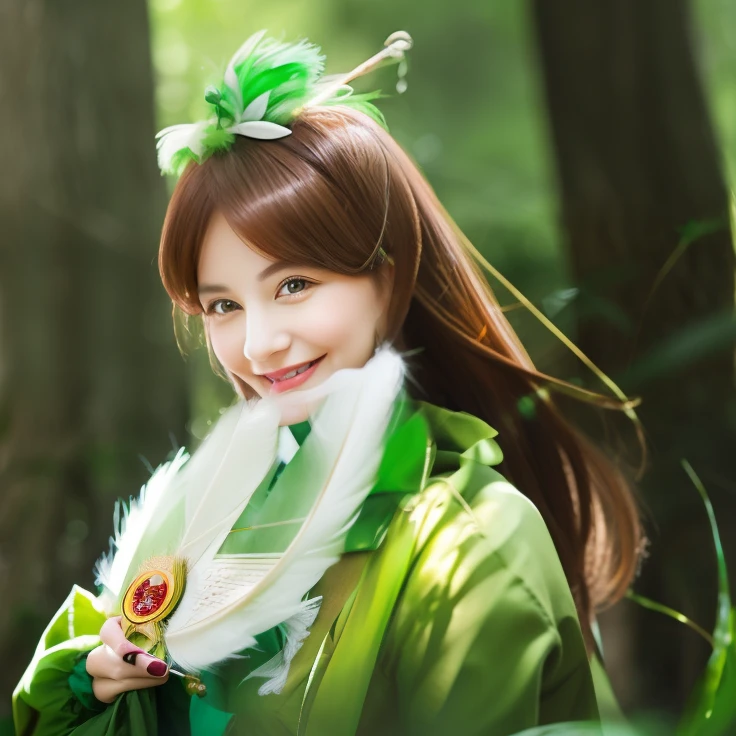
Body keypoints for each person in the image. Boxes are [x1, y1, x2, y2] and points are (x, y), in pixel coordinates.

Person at [14, 30, 643, 736]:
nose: (257, 344)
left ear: (388, 275)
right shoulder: (189, 515)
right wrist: (96, 685)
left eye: (294, 284)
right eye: (223, 304)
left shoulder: (469, 545)